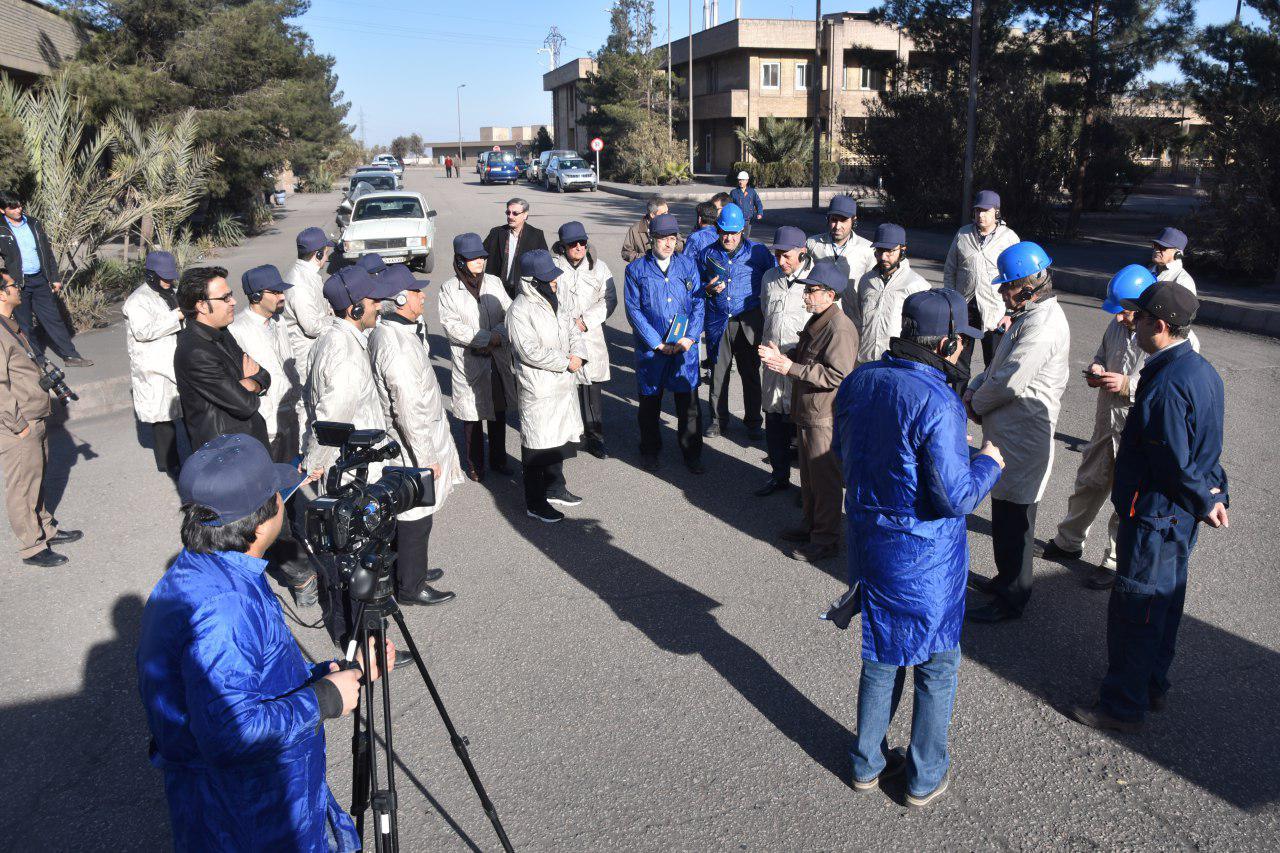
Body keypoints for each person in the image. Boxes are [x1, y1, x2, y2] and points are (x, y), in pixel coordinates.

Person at [136, 433, 385, 851]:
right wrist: (323, 699)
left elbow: (254, 677)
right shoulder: (225, 607)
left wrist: (337, 674)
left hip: (246, 800)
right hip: (249, 815)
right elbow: (231, 734)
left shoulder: (208, 569)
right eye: (278, 493)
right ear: (263, 516)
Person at [834, 287, 1004, 808]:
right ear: (951, 343)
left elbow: (842, 453)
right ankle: (924, 776)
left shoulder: (861, 380)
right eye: (964, 343)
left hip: (870, 539)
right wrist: (988, 461)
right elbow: (954, 495)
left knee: (883, 653)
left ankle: (867, 763)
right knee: (936, 662)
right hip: (926, 554)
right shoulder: (937, 400)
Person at [1070, 280, 1228, 733]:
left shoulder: (1163, 386)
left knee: (1136, 609)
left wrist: (1205, 498)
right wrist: (1216, 497)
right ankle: (1152, 684)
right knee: (1166, 600)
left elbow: (1174, 462)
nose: (1130, 323)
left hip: (1155, 514)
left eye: (1138, 318)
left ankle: (1121, 704)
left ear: (1159, 326)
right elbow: (1209, 450)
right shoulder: (1203, 371)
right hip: (1180, 516)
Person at [303, 265, 431, 636]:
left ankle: (370, 639)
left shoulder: (340, 340)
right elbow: (333, 419)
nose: (380, 306)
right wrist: (315, 463)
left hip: (354, 470)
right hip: (353, 476)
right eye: (373, 301)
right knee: (360, 564)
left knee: (364, 562)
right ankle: (367, 645)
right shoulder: (343, 353)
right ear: (354, 309)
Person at [964, 242, 1071, 623]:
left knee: (1018, 522)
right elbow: (997, 367)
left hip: (1024, 439)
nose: (1000, 291)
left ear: (1028, 286)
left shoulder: (1042, 327)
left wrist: (975, 404)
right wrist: (975, 388)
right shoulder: (1028, 317)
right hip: (1008, 435)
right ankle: (1004, 579)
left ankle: (1013, 598)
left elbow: (1009, 382)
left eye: (1006, 285)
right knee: (1005, 515)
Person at [1038, 265, 1152, 589]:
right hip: (1106, 420)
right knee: (1089, 482)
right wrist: (1096, 368)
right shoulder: (1117, 326)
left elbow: (1164, 381)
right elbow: (1101, 353)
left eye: (1125, 312)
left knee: (1126, 497)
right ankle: (1069, 541)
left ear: (1143, 308)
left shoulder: (1156, 332)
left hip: (1135, 428)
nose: (1118, 318)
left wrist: (1129, 383)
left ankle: (1114, 561)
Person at [369, 265, 460, 606]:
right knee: (415, 518)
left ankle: (413, 569)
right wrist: (427, 459)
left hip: (414, 442)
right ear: (402, 298)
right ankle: (410, 586)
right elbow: (408, 409)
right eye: (417, 291)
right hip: (411, 448)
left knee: (414, 517)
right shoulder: (396, 345)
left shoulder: (398, 332)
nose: (424, 295)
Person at [760, 259, 858, 562]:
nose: (805, 295)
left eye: (811, 291)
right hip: (808, 412)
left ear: (830, 294)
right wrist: (785, 356)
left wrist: (790, 368)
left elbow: (837, 375)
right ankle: (810, 526)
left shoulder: (840, 327)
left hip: (823, 416)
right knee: (810, 478)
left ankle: (826, 539)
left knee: (825, 481)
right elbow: (806, 355)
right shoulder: (819, 318)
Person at [0, 255, 82, 567]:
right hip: (18, 422)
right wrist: (17, 424)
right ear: (1, 294)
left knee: (38, 477)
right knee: (22, 486)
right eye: (12, 285)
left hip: (34, 414)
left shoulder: (11, 325)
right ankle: (32, 548)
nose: (18, 287)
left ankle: (45, 529)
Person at [506, 249, 589, 523]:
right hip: (539, 387)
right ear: (532, 281)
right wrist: (565, 361)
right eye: (548, 279)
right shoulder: (519, 309)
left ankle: (556, 487)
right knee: (537, 447)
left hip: (562, 385)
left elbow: (572, 330)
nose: (554, 282)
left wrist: (578, 354)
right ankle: (535, 502)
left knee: (559, 440)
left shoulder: (556, 299)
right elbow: (528, 350)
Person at [623, 212, 705, 474]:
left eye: (672, 238)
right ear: (651, 239)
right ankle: (650, 450)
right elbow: (634, 310)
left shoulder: (687, 265)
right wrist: (657, 343)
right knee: (650, 405)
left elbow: (698, 303)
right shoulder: (635, 270)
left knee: (688, 406)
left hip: (683, 350)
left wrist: (689, 338)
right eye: (662, 238)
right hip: (652, 351)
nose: (668, 244)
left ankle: (691, 452)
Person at [438, 233, 516, 480]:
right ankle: (475, 464)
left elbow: (511, 314)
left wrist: (497, 336)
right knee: (472, 417)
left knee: (498, 411)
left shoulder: (494, 282)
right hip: (470, 361)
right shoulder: (449, 289)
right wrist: (485, 338)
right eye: (473, 258)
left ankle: (498, 458)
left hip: (496, 358)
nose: (480, 262)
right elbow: (451, 326)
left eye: (482, 257)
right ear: (460, 261)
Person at [698, 202, 775, 439]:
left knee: (750, 372)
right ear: (717, 230)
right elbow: (695, 284)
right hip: (719, 321)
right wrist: (707, 289)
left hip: (749, 320)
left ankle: (753, 421)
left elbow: (773, 277)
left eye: (733, 232)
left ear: (742, 231)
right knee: (718, 373)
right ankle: (717, 420)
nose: (728, 237)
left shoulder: (758, 252)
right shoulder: (706, 254)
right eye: (724, 232)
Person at [174, 266, 272, 450]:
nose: (234, 301)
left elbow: (264, 375)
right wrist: (250, 383)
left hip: (247, 444)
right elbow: (245, 404)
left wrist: (249, 383)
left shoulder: (222, 332)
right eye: (225, 297)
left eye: (231, 295)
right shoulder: (195, 352)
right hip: (228, 454)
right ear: (202, 305)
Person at [0, 190, 91, 366]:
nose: (19, 209)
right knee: (25, 325)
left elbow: (47, 253)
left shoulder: (33, 223)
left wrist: (54, 277)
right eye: (13, 207)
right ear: (3, 210)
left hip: (40, 280)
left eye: (19, 205)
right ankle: (37, 362)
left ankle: (71, 355)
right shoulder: (1, 229)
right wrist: (5, 278)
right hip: (19, 285)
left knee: (53, 319)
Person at [755, 226, 813, 497]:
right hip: (772, 364)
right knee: (775, 423)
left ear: (802, 252)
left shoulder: (815, 281)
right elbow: (766, 312)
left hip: (799, 366)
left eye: (787, 256)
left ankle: (808, 488)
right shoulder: (769, 277)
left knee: (802, 431)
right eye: (777, 254)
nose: (781, 261)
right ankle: (779, 477)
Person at [552, 221, 616, 459]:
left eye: (582, 242)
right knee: (565, 391)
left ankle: (595, 438)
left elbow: (609, 299)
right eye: (573, 244)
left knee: (592, 391)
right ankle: (567, 438)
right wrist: (567, 324)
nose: (579, 247)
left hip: (590, 335)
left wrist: (586, 320)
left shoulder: (599, 268)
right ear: (562, 246)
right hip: (562, 337)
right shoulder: (553, 267)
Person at [229, 265, 302, 462]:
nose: (282, 296)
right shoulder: (237, 330)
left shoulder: (279, 322)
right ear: (256, 297)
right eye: (276, 292)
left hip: (291, 417)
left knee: (291, 481)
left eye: (282, 291)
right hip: (267, 425)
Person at [942, 190, 1021, 372]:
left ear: (996, 212)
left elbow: (1018, 279)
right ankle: (959, 399)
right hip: (964, 307)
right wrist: (951, 302)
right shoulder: (963, 235)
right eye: (978, 210)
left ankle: (986, 400)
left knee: (993, 365)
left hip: (995, 309)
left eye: (986, 211)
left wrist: (1010, 312)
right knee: (958, 362)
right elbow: (950, 270)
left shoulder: (1009, 238)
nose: (981, 215)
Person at [122, 251, 184, 476]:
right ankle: (169, 465)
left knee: (183, 412)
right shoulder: (138, 300)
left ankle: (189, 458)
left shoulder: (172, 293)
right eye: (164, 277)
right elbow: (142, 331)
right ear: (151, 275)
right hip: (154, 367)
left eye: (171, 277)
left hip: (175, 360)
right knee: (162, 419)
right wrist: (175, 317)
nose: (169, 281)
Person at [849, 223, 931, 365]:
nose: (884, 257)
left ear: (903, 250)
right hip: (866, 360)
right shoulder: (866, 280)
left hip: (897, 361)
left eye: (890, 251)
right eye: (880, 251)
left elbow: (923, 333)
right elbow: (861, 316)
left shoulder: (917, 284)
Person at [281, 226, 335, 433]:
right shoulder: (299, 283)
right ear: (318, 253)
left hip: (313, 348)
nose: (327, 256)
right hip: (304, 352)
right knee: (306, 403)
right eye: (326, 252)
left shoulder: (309, 274)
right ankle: (306, 452)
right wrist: (336, 320)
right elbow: (312, 326)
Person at [806, 195, 875, 306]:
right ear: (827, 219)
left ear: (854, 220)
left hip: (852, 318)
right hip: (819, 314)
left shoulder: (867, 249)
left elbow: (872, 289)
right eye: (834, 220)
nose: (838, 226)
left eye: (843, 220)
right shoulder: (813, 244)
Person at [483, 198, 548, 298]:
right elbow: (479, 254)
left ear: (525, 215)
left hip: (524, 292)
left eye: (515, 213)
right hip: (497, 290)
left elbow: (545, 264)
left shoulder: (536, 235)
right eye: (508, 213)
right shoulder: (496, 233)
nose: (510, 216)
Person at [622, 196, 684, 262]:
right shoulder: (635, 229)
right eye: (664, 213)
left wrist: (670, 246)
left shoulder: (669, 224)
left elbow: (681, 245)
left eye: (667, 212)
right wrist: (646, 258)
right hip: (645, 270)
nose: (667, 215)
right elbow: (626, 253)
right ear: (652, 215)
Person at [1149, 227, 1196, 293]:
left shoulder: (1183, 281)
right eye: (1155, 245)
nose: (1156, 250)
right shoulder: (1147, 271)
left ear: (1178, 253)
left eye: (1162, 247)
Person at [729, 171, 764, 239]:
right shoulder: (734, 192)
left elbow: (758, 202)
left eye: (743, 180)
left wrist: (760, 213)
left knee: (745, 238)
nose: (741, 182)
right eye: (739, 180)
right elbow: (730, 206)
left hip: (748, 219)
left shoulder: (751, 192)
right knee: (737, 237)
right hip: (737, 220)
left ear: (747, 181)